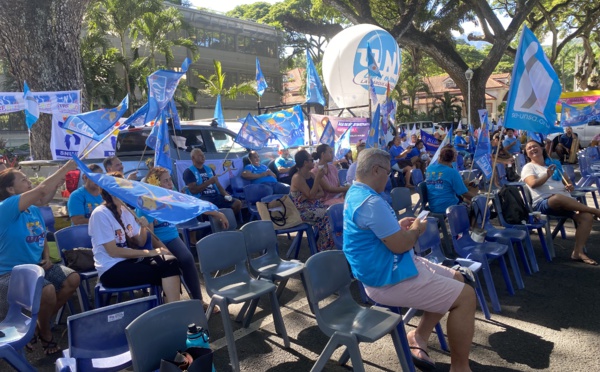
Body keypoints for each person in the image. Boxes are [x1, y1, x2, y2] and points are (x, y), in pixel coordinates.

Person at [343, 148, 475, 372]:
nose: (388, 177)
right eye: (387, 172)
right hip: (387, 279)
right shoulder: (369, 202)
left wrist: (399, 227)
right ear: (376, 169)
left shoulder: (357, 193)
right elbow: (402, 244)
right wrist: (416, 229)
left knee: (459, 279)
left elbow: (383, 236)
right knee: (466, 297)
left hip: (392, 268)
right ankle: (460, 368)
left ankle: (418, 335)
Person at [0, 161, 81, 355]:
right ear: (10, 189)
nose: (29, 182)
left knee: (72, 278)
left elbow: (42, 235)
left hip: (37, 266)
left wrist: (46, 256)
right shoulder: (7, 206)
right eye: (24, 180)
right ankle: (45, 332)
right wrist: (67, 167)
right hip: (11, 273)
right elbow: (42, 189)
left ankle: (36, 326)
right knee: (47, 291)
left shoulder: (33, 210)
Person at [140, 166, 227, 309]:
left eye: (170, 180)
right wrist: (164, 249)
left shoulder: (171, 198)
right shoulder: (147, 202)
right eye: (166, 181)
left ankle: (198, 301)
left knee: (187, 258)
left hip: (172, 238)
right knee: (170, 264)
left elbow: (193, 206)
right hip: (156, 242)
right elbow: (150, 235)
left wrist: (218, 213)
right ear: (156, 184)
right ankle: (171, 305)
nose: (170, 184)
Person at [88, 172, 181, 303]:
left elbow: (140, 241)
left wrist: (143, 226)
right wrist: (150, 253)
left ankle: (171, 308)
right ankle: (169, 309)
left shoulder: (126, 211)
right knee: (165, 269)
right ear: (112, 191)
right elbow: (113, 252)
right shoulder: (100, 214)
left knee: (170, 262)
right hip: (111, 269)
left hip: (129, 262)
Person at [521, 140, 599, 265]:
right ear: (527, 154)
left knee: (586, 217)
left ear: (542, 149)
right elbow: (533, 184)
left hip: (565, 201)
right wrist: (546, 176)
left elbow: (567, 182)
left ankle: (578, 252)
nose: (532, 149)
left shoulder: (553, 164)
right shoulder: (528, 167)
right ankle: (595, 210)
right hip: (544, 203)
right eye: (529, 148)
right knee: (557, 198)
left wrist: (569, 186)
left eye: (535, 146)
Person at [289, 150, 334, 251]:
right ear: (305, 163)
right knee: (326, 217)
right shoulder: (297, 177)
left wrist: (309, 196)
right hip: (301, 210)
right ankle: (323, 248)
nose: (314, 161)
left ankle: (326, 245)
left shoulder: (311, 175)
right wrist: (317, 179)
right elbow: (311, 195)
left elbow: (321, 193)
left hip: (314, 206)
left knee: (331, 213)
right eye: (311, 160)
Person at [182, 148, 242, 216]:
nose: (203, 157)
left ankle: (227, 221)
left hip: (216, 196)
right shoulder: (188, 172)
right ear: (193, 158)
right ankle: (214, 223)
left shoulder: (209, 169)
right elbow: (193, 190)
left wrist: (226, 195)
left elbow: (218, 185)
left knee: (237, 203)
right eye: (200, 155)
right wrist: (209, 182)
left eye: (203, 155)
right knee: (209, 208)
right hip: (202, 198)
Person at [425, 146, 477, 214]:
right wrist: (478, 199)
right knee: (476, 210)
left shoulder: (429, 168)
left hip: (433, 205)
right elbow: (463, 193)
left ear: (439, 157)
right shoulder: (452, 172)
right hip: (449, 207)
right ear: (454, 159)